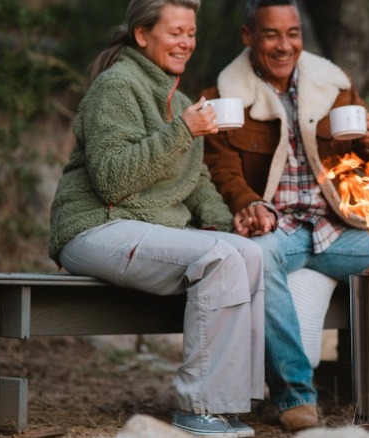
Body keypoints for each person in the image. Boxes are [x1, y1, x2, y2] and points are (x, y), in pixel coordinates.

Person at [47, 1, 264, 436]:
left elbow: (196, 183)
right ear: (143, 35)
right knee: (220, 259)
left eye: (191, 33)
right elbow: (112, 180)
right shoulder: (117, 86)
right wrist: (182, 131)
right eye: (175, 32)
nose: (186, 43)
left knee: (248, 253)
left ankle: (230, 402)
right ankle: (198, 406)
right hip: (95, 225)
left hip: (145, 229)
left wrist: (230, 222)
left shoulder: (180, 102)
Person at [201, 0, 369, 431]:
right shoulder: (221, 98)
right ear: (248, 36)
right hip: (280, 231)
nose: (284, 45)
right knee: (257, 255)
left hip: (337, 228)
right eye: (271, 34)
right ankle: (295, 396)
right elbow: (221, 170)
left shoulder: (333, 86)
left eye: (292, 33)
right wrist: (249, 204)